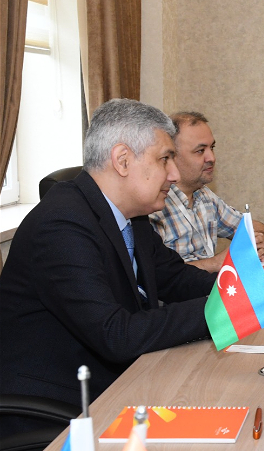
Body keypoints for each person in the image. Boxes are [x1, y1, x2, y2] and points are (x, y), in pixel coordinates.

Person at [0, 99, 216, 412]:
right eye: (165, 159)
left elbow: (174, 278)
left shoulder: (131, 214)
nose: (173, 173)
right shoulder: (62, 224)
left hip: (120, 380)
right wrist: (222, 309)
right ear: (123, 160)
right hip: (59, 405)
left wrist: (235, 287)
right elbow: (116, 334)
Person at [149, 111, 264, 273]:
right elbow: (157, 275)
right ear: (172, 156)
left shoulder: (204, 195)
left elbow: (251, 226)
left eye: (212, 148)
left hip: (210, 286)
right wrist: (216, 263)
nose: (211, 158)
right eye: (200, 151)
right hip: (183, 289)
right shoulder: (155, 205)